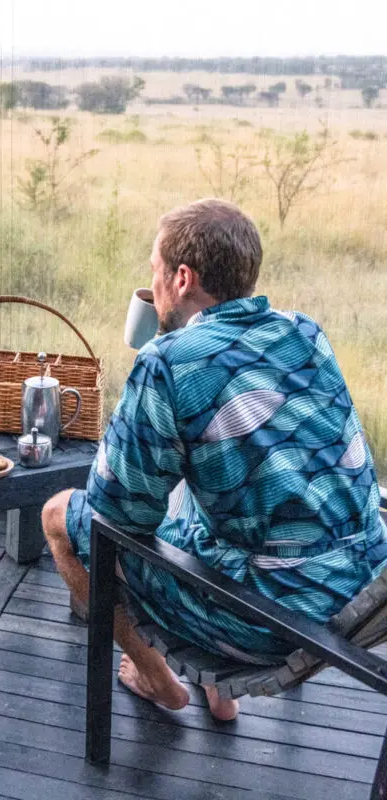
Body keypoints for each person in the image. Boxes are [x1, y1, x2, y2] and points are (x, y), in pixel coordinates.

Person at [42, 199, 387, 721]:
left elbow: (114, 519)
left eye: (154, 270)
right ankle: (217, 692)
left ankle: (159, 680)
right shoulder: (303, 331)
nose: (151, 282)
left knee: (61, 517)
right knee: (195, 484)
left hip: (275, 618)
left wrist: (146, 388)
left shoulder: (168, 362)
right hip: (362, 584)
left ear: (182, 279)